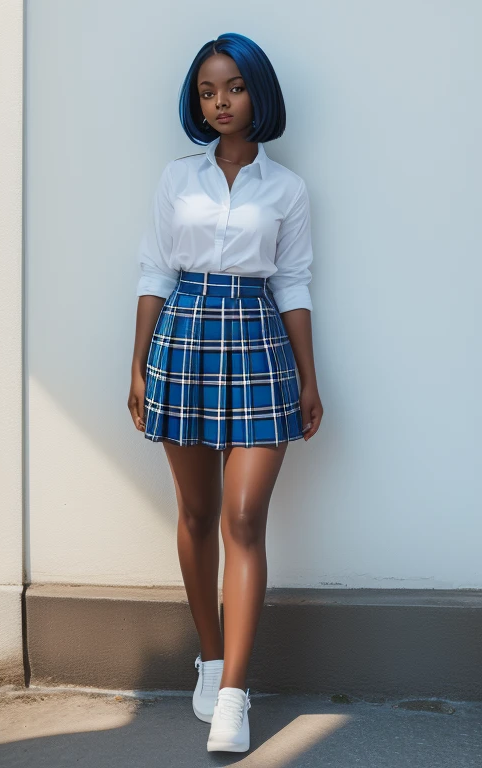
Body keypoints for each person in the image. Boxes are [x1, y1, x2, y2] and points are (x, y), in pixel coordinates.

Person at [128, 32, 323, 753]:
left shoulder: (289, 188)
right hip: (183, 340)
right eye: (208, 90)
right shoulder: (177, 178)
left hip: (258, 342)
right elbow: (154, 269)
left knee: (244, 517)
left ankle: (235, 696)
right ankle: (209, 658)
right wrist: (138, 363)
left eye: (233, 87)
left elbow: (294, 281)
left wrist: (307, 377)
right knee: (197, 511)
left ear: (257, 93)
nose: (220, 102)